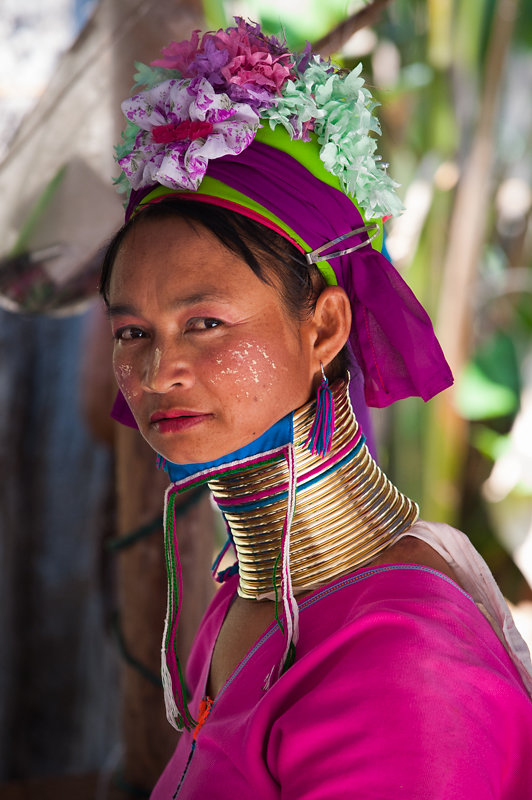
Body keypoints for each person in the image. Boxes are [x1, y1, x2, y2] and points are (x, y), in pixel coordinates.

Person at [101, 20, 532, 798]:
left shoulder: (403, 660)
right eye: (133, 331)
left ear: (325, 326)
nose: (159, 369)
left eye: (205, 323)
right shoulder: (253, 596)